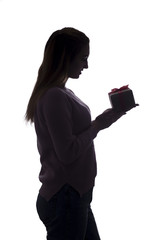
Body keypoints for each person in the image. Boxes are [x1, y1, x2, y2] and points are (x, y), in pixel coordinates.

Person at [25, 27, 134, 240]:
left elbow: (78, 135)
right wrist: (98, 125)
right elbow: (67, 152)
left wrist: (106, 119)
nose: (86, 65)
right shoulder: (54, 96)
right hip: (65, 198)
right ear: (66, 57)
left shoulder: (62, 92)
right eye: (83, 58)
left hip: (74, 196)